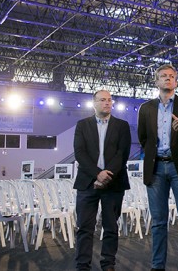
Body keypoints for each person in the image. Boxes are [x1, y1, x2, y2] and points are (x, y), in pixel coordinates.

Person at [137, 64, 178, 271]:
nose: (167, 79)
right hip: (155, 169)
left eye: (171, 76)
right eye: (163, 76)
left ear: (176, 81)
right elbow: (143, 138)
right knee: (158, 222)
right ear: (156, 81)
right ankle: (157, 265)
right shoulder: (146, 108)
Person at [73, 89, 131, 271]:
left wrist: (107, 175)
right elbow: (80, 153)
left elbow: (122, 153)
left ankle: (108, 264)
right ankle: (82, 265)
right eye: (103, 100)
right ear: (94, 103)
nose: (107, 103)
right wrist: (97, 173)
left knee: (111, 227)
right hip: (87, 182)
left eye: (109, 100)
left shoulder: (122, 125)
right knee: (84, 227)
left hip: (114, 183)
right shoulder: (82, 125)